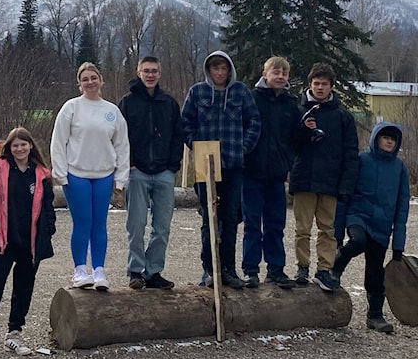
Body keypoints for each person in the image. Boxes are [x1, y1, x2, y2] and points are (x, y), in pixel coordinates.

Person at [0, 127, 56, 357]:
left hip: (31, 242)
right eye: (15, 145)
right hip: (5, 241)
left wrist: (48, 230)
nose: (19, 149)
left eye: (23, 144)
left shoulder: (41, 175)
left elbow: (48, 207)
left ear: (31, 146)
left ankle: (14, 334)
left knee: (23, 288)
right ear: (9, 147)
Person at [181, 50, 260, 290]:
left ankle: (228, 269)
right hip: (206, 166)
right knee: (209, 219)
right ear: (209, 70)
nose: (219, 73)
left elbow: (254, 122)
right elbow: (185, 122)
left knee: (230, 218)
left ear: (229, 71)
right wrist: (195, 144)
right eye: (215, 68)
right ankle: (209, 269)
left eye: (223, 69)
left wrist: (243, 147)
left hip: (234, 165)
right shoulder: (197, 92)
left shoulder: (241, 92)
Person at [50, 62, 130, 291]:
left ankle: (99, 270)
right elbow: (58, 142)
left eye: (93, 78)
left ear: (101, 80)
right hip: (77, 175)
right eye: (85, 79)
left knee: (99, 224)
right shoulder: (71, 108)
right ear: (80, 83)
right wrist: (61, 173)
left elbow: (122, 145)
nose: (90, 82)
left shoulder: (112, 111)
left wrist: (121, 178)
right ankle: (79, 270)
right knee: (83, 222)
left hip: (104, 174)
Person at [331, 122, 408, 332]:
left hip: (382, 227)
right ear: (376, 138)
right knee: (357, 241)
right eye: (385, 137)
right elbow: (345, 194)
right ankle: (336, 268)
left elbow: (402, 208)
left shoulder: (400, 168)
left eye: (393, 138)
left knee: (375, 272)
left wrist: (398, 243)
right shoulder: (361, 160)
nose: (389, 141)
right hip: (358, 215)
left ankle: (375, 316)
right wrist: (338, 230)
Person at [289, 62, 359, 291]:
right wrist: (303, 130)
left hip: (331, 182)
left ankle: (324, 270)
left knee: (328, 230)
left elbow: (351, 152)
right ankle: (302, 267)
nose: (320, 88)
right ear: (310, 85)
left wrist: (346, 184)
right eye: (316, 83)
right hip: (304, 179)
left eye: (324, 84)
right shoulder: (298, 111)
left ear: (331, 87)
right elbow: (290, 146)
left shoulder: (343, 117)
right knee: (302, 229)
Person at [117, 55, 183, 290]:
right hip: (137, 171)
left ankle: (153, 271)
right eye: (146, 70)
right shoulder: (128, 102)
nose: (150, 74)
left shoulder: (169, 103)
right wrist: (129, 162)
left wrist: (173, 165)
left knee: (162, 226)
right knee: (136, 224)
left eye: (154, 70)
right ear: (138, 72)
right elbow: (119, 136)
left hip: (164, 171)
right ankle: (135, 270)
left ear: (160, 73)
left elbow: (179, 134)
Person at [241, 56, 302, 289]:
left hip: (277, 174)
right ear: (265, 74)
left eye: (284, 73)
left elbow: (295, 139)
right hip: (252, 173)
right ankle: (250, 270)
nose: (280, 76)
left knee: (276, 226)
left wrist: (288, 159)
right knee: (252, 224)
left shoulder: (290, 104)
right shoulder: (252, 99)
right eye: (276, 72)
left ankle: (276, 269)